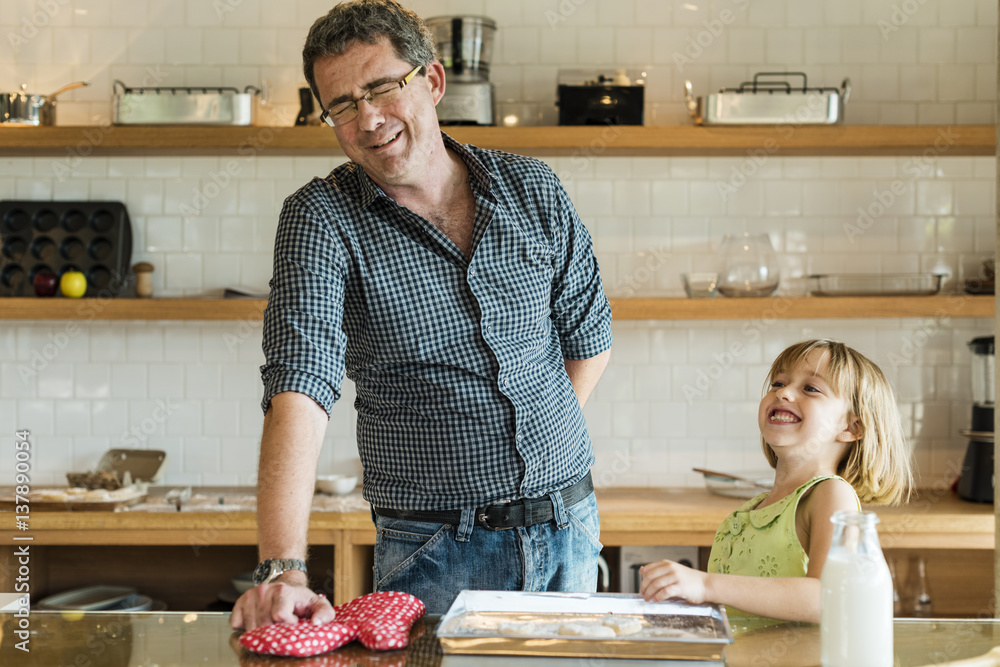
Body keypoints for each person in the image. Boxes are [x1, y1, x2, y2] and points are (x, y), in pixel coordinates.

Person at [230, 0, 612, 631]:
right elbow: (300, 385)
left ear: (432, 82)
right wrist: (281, 568)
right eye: (342, 104)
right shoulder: (320, 219)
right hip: (436, 550)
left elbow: (588, 340)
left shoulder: (532, 189)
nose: (368, 118)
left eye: (381, 87)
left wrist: (529, 460)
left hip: (569, 528)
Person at [640, 339, 912, 623]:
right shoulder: (759, 506)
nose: (784, 393)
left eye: (810, 388)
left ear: (851, 427)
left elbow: (828, 598)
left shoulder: (831, 494)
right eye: (778, 383)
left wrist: (705, 585)